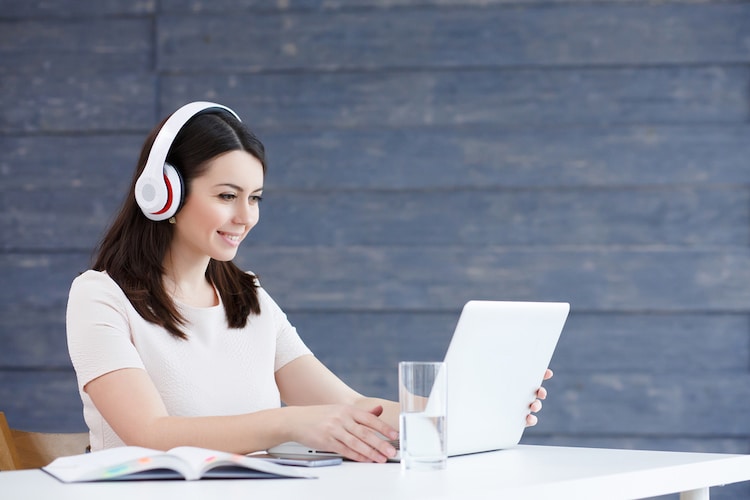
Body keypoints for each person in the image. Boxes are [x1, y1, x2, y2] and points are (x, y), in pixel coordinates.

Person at [66, 101, 552, 463]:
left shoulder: (247, 296)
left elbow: (350, 407)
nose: (245, 216)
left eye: (255, 198)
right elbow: (150, 433)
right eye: (227, 195)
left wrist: (474, 407)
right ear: (163, 194)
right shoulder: (100, 297)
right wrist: (290, 421)